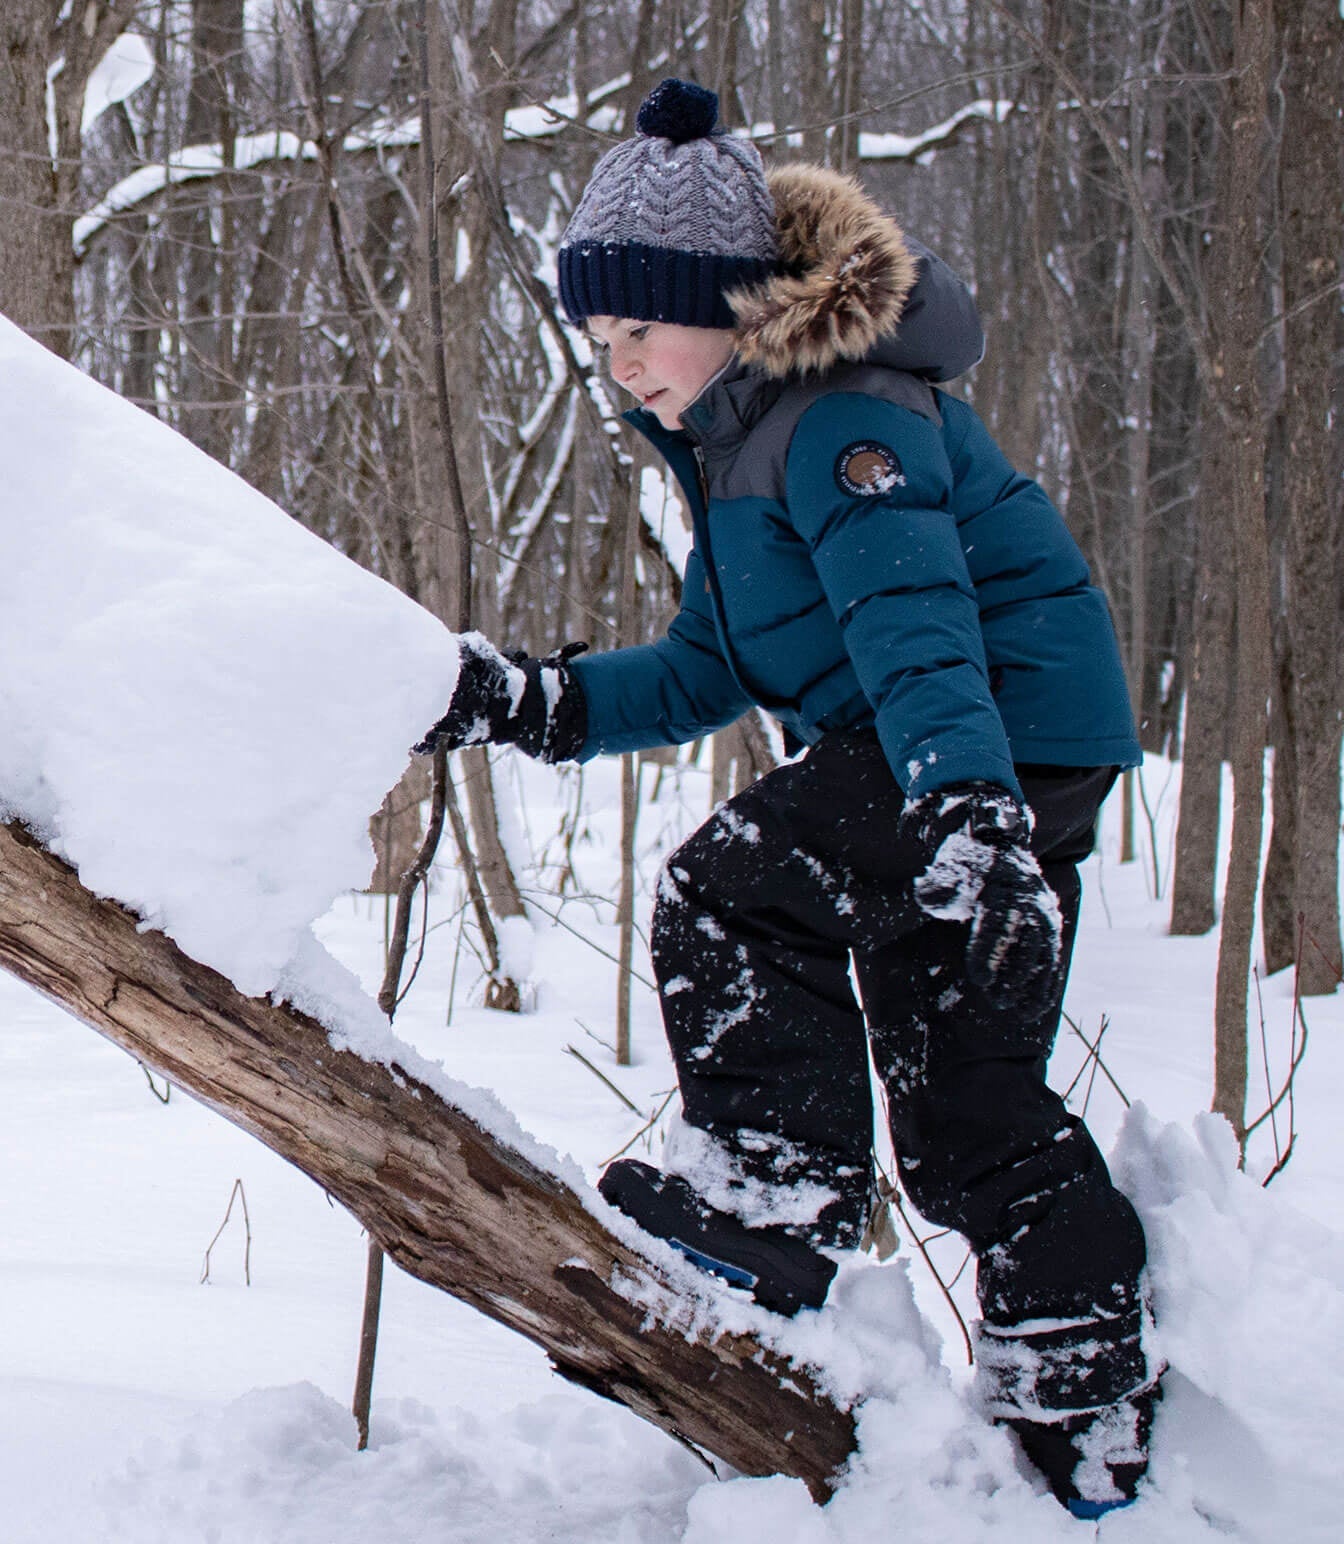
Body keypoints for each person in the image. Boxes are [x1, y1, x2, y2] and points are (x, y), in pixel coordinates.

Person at [416, 78, 1159, 1519]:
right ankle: (1086, 1394)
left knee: (727, 891)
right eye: (602, 335)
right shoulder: (738, 451)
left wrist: (968, 816)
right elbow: (708, 668)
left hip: (980, 737)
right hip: (970, 762)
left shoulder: (836, 422)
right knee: (967, 1100)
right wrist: (535, 702)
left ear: (737, 304)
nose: (618, 362)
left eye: (640, 327)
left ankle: (771, 1201)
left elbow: (919, 626)